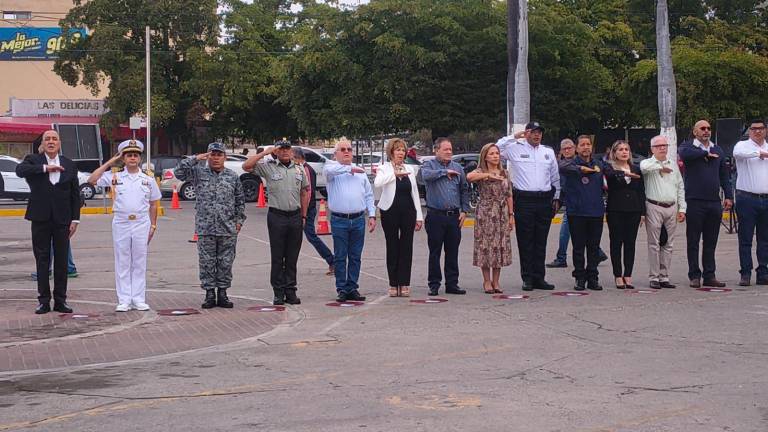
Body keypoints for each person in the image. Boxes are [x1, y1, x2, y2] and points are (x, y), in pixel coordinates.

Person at [88, 140, 161, 311]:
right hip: (121, 222)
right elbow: (92, 179)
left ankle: (138, 298)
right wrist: (110, 162)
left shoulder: (148, 179)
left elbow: (153, 204)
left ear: (139, 158)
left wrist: (153, 226)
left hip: (141, 222)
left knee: (139, 261)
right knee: (122, 261)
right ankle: (124, 299)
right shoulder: (115, 177)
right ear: (124, 158)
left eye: (135, 155)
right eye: (129, 155)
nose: (133, 158)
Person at [15, 129, 80, 314]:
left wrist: (75, 219)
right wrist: (46, 168)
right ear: (42, 144)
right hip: (40, 218)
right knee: (42, 260)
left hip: (63, 220)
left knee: (61, 261)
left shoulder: (69, 164)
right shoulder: (33, 160)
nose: (51, 142)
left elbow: (75, 195)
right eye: (47, 139)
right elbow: (20, 171)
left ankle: (61, 300)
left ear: (59, 143)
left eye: (54, 139)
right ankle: (43, 301)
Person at [175, 142, 246, 308]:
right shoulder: (199, 173)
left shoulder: (232, 176)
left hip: (227, 228)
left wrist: (238, 222)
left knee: (225, 262)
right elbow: (179, 172)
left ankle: (222, 293)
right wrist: (196, 158)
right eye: (212, 154)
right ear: (208, 156)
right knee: (206, 262)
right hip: (205, 228)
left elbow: (240, 201)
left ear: (224, 157)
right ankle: (209, 294)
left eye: (219, 155)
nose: (215, 158)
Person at [243, 141, 309, 305]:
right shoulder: (269, 166)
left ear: (292, 152)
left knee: (292, 257)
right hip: (277, 216)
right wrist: (266, 153)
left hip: (295, 216)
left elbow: (304, 192)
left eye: (288, 149)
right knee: (278, 256)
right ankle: (278, 292)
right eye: (281, 149)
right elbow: (246, 166)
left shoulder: (299, 169)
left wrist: (304, 216)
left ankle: (291, 291)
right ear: (276, 152)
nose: (285, 152)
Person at [497, 122, 560, 291]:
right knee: (526, 241)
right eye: (533, 132)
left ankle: (539, 277)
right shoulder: (514, 148)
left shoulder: (547, 152)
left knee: (541, 241)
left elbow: (555, 177)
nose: (537, 135)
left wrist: (557, 197)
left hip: (544, 200)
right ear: (526, 133)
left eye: (539, 132)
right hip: (524, 200)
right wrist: (514, 137)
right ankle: (527, 278)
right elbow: (494, 148)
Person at [678, 120, 733, 288]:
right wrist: (704, 154)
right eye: (702, 128)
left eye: (708, 128)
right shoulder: (689, 147)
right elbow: (684, 155)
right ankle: (694, 275)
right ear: (695, 132)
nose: (706, 131)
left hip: (713, 201)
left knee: (711, 241)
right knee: (693, 240)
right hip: (694, 201)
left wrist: (729, 196)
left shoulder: (717, 149)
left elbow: (724, 175)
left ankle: (710, 274)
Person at [323, 139, 376, 302]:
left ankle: (352, 287)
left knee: (355, 256)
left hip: (358, 218)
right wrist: (349, 168)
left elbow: (368, 194)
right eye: (343, 149)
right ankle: (341, 288)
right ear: (336, 153)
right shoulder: (331, 169)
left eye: (349, 149)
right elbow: (330, 170)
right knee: (340, 256)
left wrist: (372, 215)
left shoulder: (360, 174)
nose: (347, 152)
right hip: (340, 220)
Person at [374, 138, 423, 297]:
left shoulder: (410, 168)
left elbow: (414, 192)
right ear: (391, 152)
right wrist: (394, 175)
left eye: (403, 150)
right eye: (398, 150)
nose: (401, 153)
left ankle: (404, 283)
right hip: (390, 211)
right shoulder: (384, 168)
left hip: (408, 211)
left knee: (406, 247)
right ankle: (393, 283)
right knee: (393, 246)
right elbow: (378, 183)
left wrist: (419, 216)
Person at [421, 138, 470, 296]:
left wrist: (464, 210)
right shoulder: (429, 165)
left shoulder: (458, 168)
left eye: (450, 149)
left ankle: (452, 284)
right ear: (436, 150)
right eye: (445, 149)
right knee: (435, 251)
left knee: (452, 251)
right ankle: (434, 284)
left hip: (454, 216)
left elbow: (464, 189)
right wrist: (444, 172)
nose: (449, 152)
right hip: (436, 215)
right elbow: (425, 176)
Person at [547, 138, 607, 268]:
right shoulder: (565, 164)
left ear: (575, 149)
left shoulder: (587, 162)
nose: (567, 150)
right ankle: (596, 253)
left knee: (570, 231)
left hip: (580, 205)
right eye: (564, 148)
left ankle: (562, 257)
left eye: (570, 148)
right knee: (574, 233)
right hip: (567, 201)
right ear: (561, 151)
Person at [559, 135, 605, 291]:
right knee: (578, 247)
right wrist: (581, 169)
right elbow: (562, 167)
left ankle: (593, 277)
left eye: (588, 144)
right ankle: (579, 277)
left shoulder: (598, 164)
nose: (586, 147)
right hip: (577, 212)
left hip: (596, 212)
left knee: (593, 247)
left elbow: (611, 173)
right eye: (582, 145)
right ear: (577, 148)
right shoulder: (570, 164)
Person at [467, 143, 514, 293]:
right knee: (485, 246)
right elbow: (469, 177)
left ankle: (496, 281)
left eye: (497, 153)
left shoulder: (504, 173)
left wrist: (511, 215)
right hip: (486, 212)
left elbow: (509, 195)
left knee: (499, 246)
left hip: (501, 212)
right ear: (485, 156)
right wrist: (487, 175)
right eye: (492, 153)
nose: (495, 156)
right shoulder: (480, 171)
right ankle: (486, 281)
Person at [640, 135, 686, 289]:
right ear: (652, 148)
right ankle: (654, 276)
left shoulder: (673, 164)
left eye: (664, 145)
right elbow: (643, 168)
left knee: (668, 244)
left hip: (671, 206)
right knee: (654, 243)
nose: (662, 148)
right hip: (654, 206)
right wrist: (660, 167)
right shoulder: (648, 163)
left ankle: (664, 276)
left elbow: (680, 186)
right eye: (658, 146)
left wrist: (682, 208)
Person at [604, 140, 645, 289]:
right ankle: (617, 275)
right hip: (616, 209)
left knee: (630, 243)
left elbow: (641, 191)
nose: (624, 152)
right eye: (620, 149)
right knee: (616, 243)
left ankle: (628, 274)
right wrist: (625, 173)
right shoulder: (610, 168)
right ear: (614, 153)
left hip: (633, 210)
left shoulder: (636, 168)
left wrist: (642, 212)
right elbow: (610, 177)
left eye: (626, 149)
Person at [732, 119, 768, 286]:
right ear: (750, 131)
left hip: (765, 198)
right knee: (745, 238)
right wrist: (759, 154)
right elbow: (737, 155)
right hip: (747, 198)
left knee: (764, 239)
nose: (757, 132)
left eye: (761, 129)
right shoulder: (742, 145)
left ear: (765, 130)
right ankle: (745, 272)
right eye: (754, 129)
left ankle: (763, 272)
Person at [293, 148, 335, 276]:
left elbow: (308, 191)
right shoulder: (303, 169)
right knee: (296, 237)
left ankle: (332, 260)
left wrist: (304, 212)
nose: (291, 160)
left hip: (307, 208)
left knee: (311, 236)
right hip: (304, 208)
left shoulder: (305, 170)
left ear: (298, 158)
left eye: (292, 158)